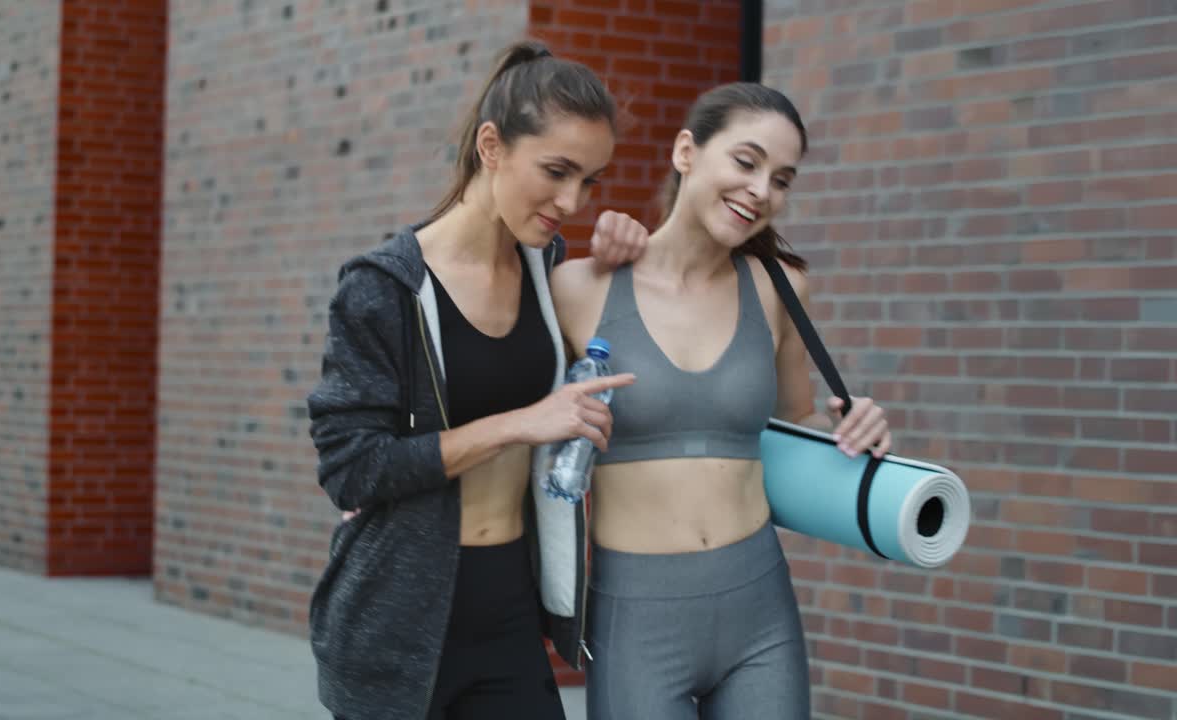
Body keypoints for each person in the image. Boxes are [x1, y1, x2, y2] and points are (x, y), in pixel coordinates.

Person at [305, 41, 645, 720]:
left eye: (591, 181)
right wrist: (521, 424)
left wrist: (630, 253)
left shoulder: (546, 270)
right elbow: (352, 470)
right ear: (491, 146)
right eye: (556, 171)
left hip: (510, 610)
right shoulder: (384, 288)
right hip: (399, 618)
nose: (573, 200)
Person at [552, 82, 893, 719]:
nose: (763, 189)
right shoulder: (578, 286)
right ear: (687, 151)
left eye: (782, 178)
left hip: (759, 611)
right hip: (636, 616)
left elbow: (798, 424)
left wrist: (853, 430)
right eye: (746, 161)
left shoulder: (781, 287)